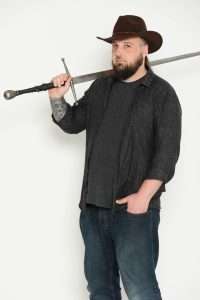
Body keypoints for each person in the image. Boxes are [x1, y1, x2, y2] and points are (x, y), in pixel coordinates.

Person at [48, 15, 182, 300]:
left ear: (145, 50)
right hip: (93, 210)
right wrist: (57, 99)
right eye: (116, 46)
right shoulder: (100, 88)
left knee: (140, 290)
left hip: (133, 211)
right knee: (100, 291)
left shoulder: (162, 95)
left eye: (128, 46)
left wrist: (143, 198)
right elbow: (72, 123)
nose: (119, 52)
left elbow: (167, 153)